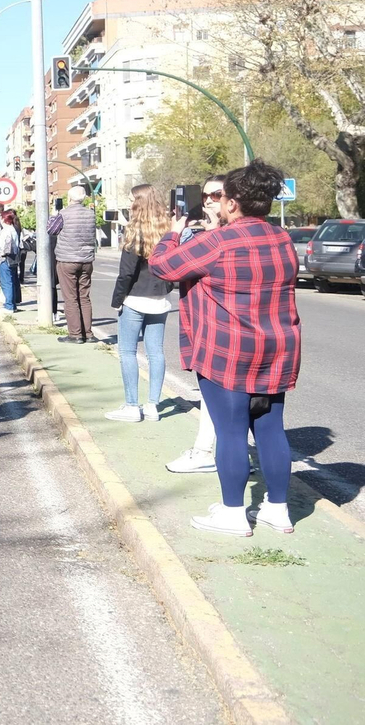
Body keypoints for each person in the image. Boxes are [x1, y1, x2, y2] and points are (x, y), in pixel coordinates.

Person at [150, 161, 301, 536]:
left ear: (232, 203)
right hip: (278, 348)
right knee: (271, 430)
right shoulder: (282, 238)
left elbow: (162, 266)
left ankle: (234, 513)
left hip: (228, 349)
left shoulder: (217, 241)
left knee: (231, 433)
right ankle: (277, 510)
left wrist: (172, 234)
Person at [164, 174, 229, 475]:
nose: (208, 202)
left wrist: (176, 232)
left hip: (225, 329)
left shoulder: (228, 237)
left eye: (216, 195)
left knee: (225, 400)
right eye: (204, 197)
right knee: (218, 399)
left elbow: (163, 265)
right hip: (206, 325)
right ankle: (225, 452)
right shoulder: (203, 235)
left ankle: (206, 451)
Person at [106, 184, 173, 423]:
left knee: (127, 352)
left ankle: (132, 406)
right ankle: (153, 406)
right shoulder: (168, 230)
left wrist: (117, 300)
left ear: (138, 203)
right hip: (159, 300)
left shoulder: (134, 231)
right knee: (156, 353)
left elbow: (126, 274)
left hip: (134, 299)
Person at [52, 186, 98, 343]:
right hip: (86, 260)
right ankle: (88, 333)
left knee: (70, 298)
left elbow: (51, 230)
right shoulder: (91, 214)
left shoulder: (63, 214)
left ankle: (75, 334)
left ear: (69, 199)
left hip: (67, 260)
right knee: (84, 297)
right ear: (84, 198)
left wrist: (54, 213)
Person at [0, 211, 21, 311]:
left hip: (5, 259)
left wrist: (1, 253)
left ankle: (9, 306)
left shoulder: (6, 230)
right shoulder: (13, 229)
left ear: (4, 219)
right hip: (12, 259)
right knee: (11, 282)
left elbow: (7, 245)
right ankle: (12, 304)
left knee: (6, 282)